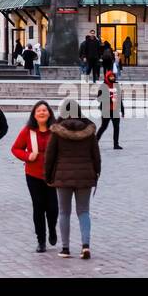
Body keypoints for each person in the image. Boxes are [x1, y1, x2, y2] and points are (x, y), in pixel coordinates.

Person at [44, 99, 101, 260]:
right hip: (85, 177)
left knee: (64, 212)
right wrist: (96, 173)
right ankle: (85, 246)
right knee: (83, 212)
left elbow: (49, 156)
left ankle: (65, 248)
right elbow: (96, 156)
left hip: (63, 178)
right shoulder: (89, 131)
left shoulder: (56, 131)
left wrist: (48, 176)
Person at [10, 100, 59, 253]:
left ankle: (52, 228)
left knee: (53, 207)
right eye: (39, 111)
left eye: (45, 110)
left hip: (52, 175)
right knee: (38, 207)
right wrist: (27, 156)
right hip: (33, 175)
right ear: (34, 115)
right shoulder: (28, 131)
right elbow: (15, 148)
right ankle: (41, 240)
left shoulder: (56, 131)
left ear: (49, 113)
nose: (42, 113)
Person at [96, 70, 124, 150]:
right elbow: (99, 98)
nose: (113, 78)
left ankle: (116, 144)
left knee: (116, 127)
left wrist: (122, 109)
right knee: (103, 127)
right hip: (106, 110)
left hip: (115, 110)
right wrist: (109, 99)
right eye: (111, 76)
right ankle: (95, 142)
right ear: (107, 77)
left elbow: (119, 98)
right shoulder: (103, 86)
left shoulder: (116, 85)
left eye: (113, 76)